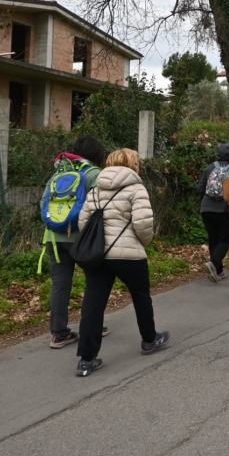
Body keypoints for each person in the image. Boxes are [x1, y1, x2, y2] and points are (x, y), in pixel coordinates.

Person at [76, 148, 169, 377]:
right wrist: (143, 242)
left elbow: (83, 221)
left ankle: (86, 360)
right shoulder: (136, 188)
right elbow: (143, 223)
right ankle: (149, 340)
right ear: (133, 163)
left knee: (93, 305)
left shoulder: (96, 188)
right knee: (140, 295)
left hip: (98, 255)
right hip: (129, 254)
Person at [41, 135, 110, 350]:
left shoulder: (58, 173)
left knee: (60, 284)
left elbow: (43, 203)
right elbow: (103, 206)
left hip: (53, 237)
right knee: (96, 280)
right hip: (81, 238)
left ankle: (59, 333)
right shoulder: (94, 175)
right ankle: (92, 325)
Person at [197, 142, 229, 282]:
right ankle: (214, 262)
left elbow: (200, 189)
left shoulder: (210, 168)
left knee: (213, 238)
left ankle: (218, 271)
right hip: (224, 209)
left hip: (206, 208)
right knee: (226, 238)